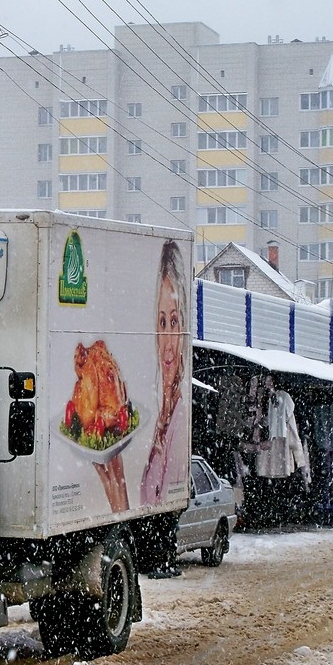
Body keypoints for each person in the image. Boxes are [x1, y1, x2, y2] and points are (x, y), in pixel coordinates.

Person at [140, 239, 189, 577]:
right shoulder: (154, 410)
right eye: (161, 322)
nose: (168, 340)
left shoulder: (180, 417)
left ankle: (162, 559)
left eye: (175, 321)